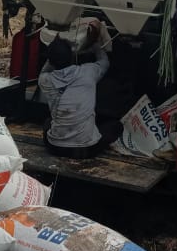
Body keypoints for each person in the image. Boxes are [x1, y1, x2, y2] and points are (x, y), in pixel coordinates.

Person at [38, 19, 123, 158]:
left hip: (55, 147)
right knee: (116, 126)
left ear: (51, 61)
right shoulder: (88, 72)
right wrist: (95, 45)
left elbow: (44, 71)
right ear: (72, 57)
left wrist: (52, 54)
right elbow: (105, 62)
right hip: (86, 150)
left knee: (48, 122)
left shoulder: (45, 80)